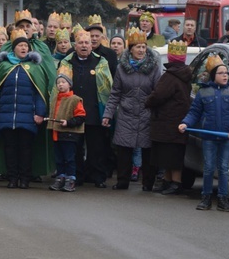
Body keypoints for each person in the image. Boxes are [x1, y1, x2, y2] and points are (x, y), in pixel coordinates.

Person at [0, 29, 51, 189]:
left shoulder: (35, 68)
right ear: (14, 48)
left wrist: (40, 113)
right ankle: (12, 177)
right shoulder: (4, 67)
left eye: (26, 46)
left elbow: (40, 94)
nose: (23, 48)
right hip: (6, 117)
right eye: (20, 45)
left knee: (25, 149)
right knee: (9, 149)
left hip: (27, 118)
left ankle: (24, 178)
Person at [180, 55, 229, 212]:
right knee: (209, 167)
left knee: (224, 168)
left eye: (226, 73)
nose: (225, 75)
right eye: (221, 73)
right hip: (209, 137)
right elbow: (194, 112)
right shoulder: (204, 93)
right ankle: (206, 198)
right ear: (213, 75)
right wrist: (185, 123)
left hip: (226, 138)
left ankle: (223, 200)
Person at [103, 27, 162, 191]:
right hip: (126, 114)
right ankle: (122, 181)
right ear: (131, 49)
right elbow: (115, 93)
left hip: (146, 113)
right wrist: (108, 114)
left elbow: (158, 92)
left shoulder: (154, 68)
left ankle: (148, 183)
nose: (141, 50)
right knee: (124, 150)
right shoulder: (122, 68)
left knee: (148, 150)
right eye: (138, 47)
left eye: (143, 47)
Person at [60, 30, 113, 187]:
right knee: (75, 147)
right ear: (75, 45)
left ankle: (97, 176)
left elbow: (107, 87)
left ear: (92, 45)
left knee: (96, 147)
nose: (84, 46)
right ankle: (77, 175)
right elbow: (60, 87)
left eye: (87, 43)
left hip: (94, 112)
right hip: (73, 113)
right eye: (81, 43)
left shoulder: (101, 62)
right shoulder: (66, 62)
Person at [145, 40, 192, 195]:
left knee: (171, 155)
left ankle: (175, 183)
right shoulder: (184, 75)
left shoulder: (170, 77)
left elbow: (158, 95)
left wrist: (148, 102)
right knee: (169, 154)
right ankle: (167, 181)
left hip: (168, 121)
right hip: (176, 120)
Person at [47, 66, 86, 193]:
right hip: (56, 133)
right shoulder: (55, 99)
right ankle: (60, 177)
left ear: (69, 84)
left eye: (63, 82)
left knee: (69, 158)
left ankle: (71, 179)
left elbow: (81, 116)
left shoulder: (75, 99)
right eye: (58, 83)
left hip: (69, 134)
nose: (60, 85)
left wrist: (68, 122)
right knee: (59, 158)